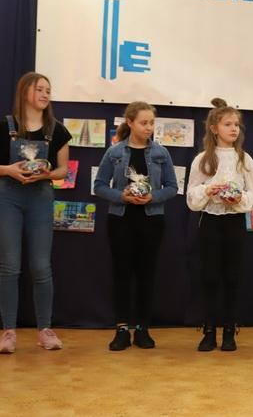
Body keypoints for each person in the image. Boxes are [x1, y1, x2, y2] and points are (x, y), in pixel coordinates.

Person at [0, 72, 71, 354]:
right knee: (10, 265)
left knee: (41, 266)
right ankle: (8, 332)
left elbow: (63, 170)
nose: (45, 94)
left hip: (40, 197)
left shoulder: (57, 130)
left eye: (48, 90)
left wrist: (46, 174)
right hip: (7, 197)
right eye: (39, 89)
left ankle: (45, 330)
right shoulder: (3, 126)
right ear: (24, 92)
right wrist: (9, 169)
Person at [94, 102, 178, 351]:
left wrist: (153, 197)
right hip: (121, 219)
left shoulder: (161, 153)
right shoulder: (115, 152)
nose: (148, 127)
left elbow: (172, 187)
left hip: (152, 220)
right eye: (143, 123)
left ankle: (142, 328)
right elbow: (99, 185)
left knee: (146, 274)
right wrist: (121, 196)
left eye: (152, 123)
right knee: (122, 274)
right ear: (130, 122)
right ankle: (121, 329)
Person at [187, 98, 253, 351]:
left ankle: (230, 330)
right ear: (214, 128)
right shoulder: (202, 159)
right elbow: (191, 195)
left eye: (236, 125)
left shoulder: (245, 159)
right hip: (210, 221)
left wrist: (240, 199)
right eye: (228, 124)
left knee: (232, 276)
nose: (234, 129)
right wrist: (208, 190)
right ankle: (209, 330)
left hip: (234, 222)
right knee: (209, 276)